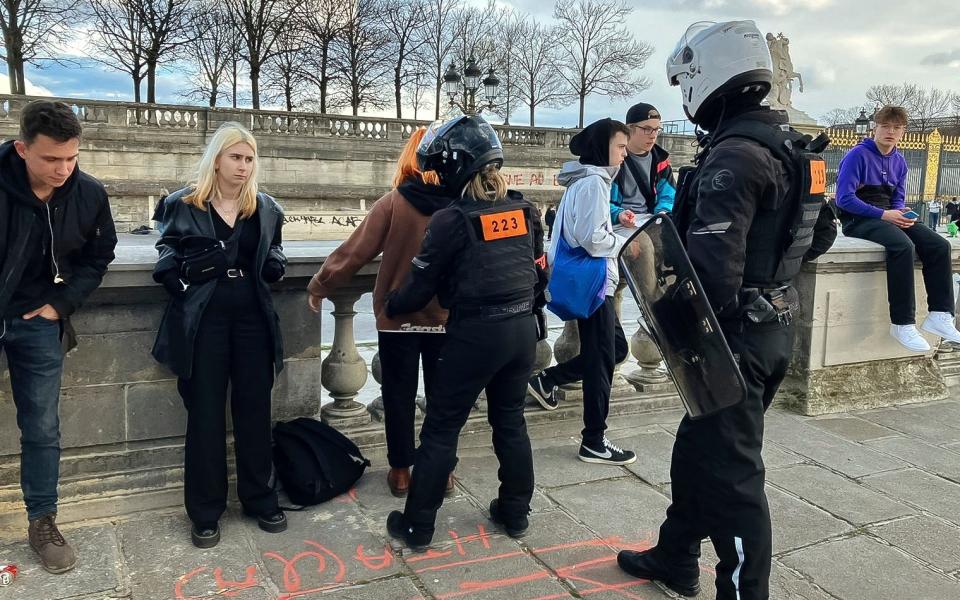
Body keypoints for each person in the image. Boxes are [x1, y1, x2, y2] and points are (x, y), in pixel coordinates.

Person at [617, 20, 837, 599]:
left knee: (736, 479)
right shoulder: (791, 145)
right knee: (698, 451)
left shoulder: (733, 157)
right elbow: (819, 235)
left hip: (731, 341)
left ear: (705, 78)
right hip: (774, 325)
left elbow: (711, 276)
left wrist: (675, 324)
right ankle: (674, 556)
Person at [383, 115, 547, 551]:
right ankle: (515, 512)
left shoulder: (452, 218)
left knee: (440, 430)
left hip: (475, 333)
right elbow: (537, 272)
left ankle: (418, 525)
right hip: (520, 332)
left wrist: (390, 304)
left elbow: (421, 286)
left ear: (455, 166)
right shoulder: (524, 209)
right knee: (510, 422)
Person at [151, 123, 288, 548]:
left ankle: (259, 498)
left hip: (251, 316)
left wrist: (275, 264)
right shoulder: (183, 203)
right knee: (206, 414)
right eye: (236, 157)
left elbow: (275, 247)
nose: (244, 166)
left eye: (249, 159)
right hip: (204, 317)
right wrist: (175, 279)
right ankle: (205, 511)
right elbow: (166, 248)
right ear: (217, 158)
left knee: (254, 411)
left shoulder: (265, 208)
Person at [0, 100, 117, 574]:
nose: (63, 169)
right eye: (52, 159)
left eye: (71, 158)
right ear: (22, 148)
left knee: (43, 428)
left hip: (38, 322)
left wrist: (61, 305)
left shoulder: (88, 193)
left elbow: (99, 254)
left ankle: (43, 521)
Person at [306, 128, 455, 498]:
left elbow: (354, 253)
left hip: (397, 317)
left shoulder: (393, 203)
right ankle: (442, 471)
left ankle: (401, 471)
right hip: (446, 316)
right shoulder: (457, 205)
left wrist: (321, 285)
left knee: (398, 397)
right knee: (444, 399)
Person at [526, 118, 637, 466]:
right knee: (605, 357)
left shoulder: (588, 181)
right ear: (602, 147)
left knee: (614, 349)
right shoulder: (592, 184)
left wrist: (615, 225)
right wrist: (624, 242)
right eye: (620, 147)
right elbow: (590, 239)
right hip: (594, 283)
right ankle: (594, 439)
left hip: (594, 282)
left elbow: (586, 229)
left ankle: (547, 380)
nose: (624, 154)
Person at [835, 105, 960, 352]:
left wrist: (900, 213)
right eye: (885, 126)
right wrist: (884, 215)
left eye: (897, 127)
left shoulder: (900, 160)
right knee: (902, 245)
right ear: (875, 128)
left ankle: (940, 313)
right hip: (858, 218)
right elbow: (843, 199)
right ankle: (902, 322)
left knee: (938, 245)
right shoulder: (857, 156)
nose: (890, 132)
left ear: (903, 131)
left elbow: (898, 199)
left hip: (888, 214)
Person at [610, 102, 676, 235]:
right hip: (619, 222)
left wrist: (661, 215)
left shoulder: (661, 162)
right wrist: (618, 214)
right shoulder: (612, 159)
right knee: (645, 249)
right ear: (629, 129)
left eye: (657, 129)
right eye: (647, 129)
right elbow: (599, 202)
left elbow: (669, 196)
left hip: (651, 220)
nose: (653, 135)